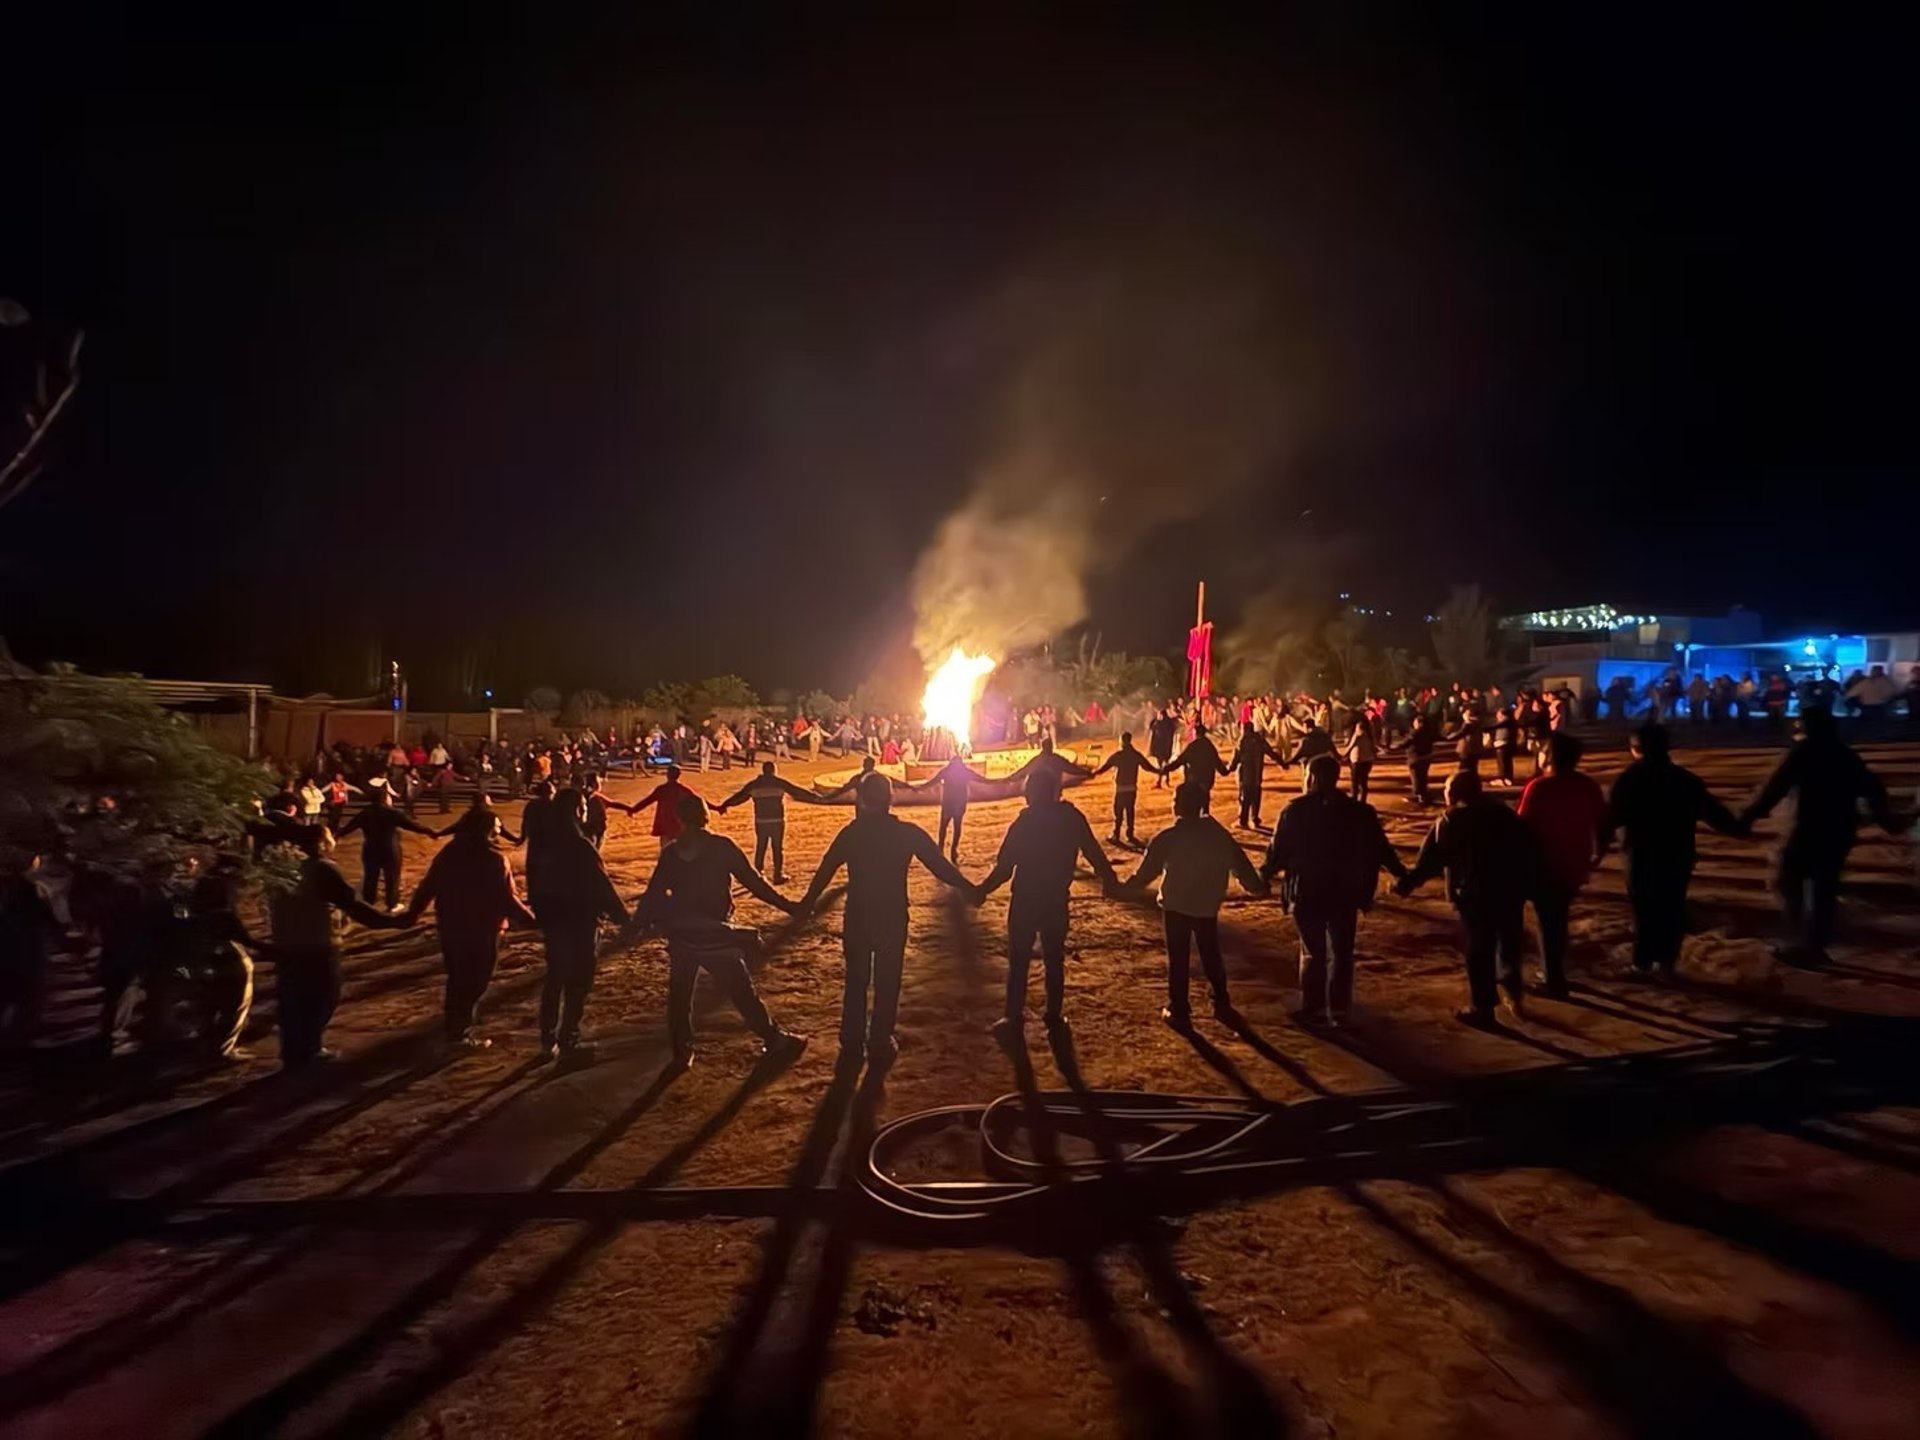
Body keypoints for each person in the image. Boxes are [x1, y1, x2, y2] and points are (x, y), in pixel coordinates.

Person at [795, 771, 973, 1064]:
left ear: (861, 799)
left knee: (856, 979)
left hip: (859, 915)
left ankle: (852, 1039)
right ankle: (880, 1038)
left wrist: (806, 904)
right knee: (888, 980)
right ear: (890, 799)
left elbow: (826, 871)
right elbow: (940, 866)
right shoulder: (906, 833)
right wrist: (971, 889)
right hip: (891, 915)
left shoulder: (851, 834)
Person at [632, 793, 806, 1070]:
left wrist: (635, 925)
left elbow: (653, 895)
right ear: (705, 815)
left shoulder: (672, 854)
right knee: (741, 991)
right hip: (716, 935)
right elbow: (754, 883)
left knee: (680, 995)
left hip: (683, 936)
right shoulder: (721, 847)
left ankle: (681, 1051)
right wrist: (788, 906)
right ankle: (773, 1038)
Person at [1738, 707, 1902, 966]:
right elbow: (1873, 789)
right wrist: (1885, 819)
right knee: (1824, 885)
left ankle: (1803, 939)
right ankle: (1816, 942)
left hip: (1810, 828)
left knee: (1789, 881)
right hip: (1840, 830)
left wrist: (1748, 817)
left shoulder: (1804, 753)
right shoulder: (1846, 755)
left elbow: (1775, 788)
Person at [1263, 754, 1407, 1026]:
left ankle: (1313, 1008)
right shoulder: (1360, 812)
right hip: (1346, 890)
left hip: (1307, 891)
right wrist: (1404, 878)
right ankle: (1339, 1010)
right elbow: (1382, 850)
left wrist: (1262, 878)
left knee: (1312, 952)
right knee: (1342, 951)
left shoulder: (1294, 811)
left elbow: (1277, 854)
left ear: (1312, 777)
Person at [976, 768, 1120, 1037]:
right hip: (1055, 898)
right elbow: (1093, 851)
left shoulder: (1025, 823)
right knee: (1054, 958)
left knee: (1019, 959)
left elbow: (1005, 868)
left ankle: (1013, 1015)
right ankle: (1053, 1014)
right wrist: (1110, 879)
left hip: (1026, 900)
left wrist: (982, 890)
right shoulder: (1071, 818)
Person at [1603, 723, 1745, 977]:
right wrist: (1739, 827)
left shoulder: (1628, 778)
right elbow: (1714, 812)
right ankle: (1667, 962)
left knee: (1645, 909)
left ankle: (1642, 963)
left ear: (1635, 749)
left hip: (1641, 853)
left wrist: (1596, 849)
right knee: (1672, 906)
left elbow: (1610, 817)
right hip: (1677, 853)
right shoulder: (1685, 779)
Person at [1397, 770, 1535, 1029]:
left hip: (1474, 895)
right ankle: (1512, 990)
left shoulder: (1451, 820)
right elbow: (1527, 847)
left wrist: (1407, 883)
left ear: (1457, 793)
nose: (1445, 794)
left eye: (1448, 789)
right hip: (1509, 890)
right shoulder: (1504, 814)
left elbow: (1431, 860)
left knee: (1479, 951)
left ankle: (1483, 1008)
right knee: (1508, 942)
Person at [1123, 782, 1267, 1030]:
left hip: (1176, 906)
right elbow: (1242, 867)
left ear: (1179, 805)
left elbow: (1145, 874)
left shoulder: (1168, 838)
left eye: (1176, 798)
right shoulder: (1219, 836)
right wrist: (1257, 887)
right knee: (1210, 952)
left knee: (1178, 957)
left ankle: (1179, 1007)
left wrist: (1122, 888)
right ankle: (1221, 1000)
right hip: (1205, 905)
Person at [264, 830, 408, 1067]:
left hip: (286, 943)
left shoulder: (283, 870)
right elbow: (351, 904)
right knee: (322, 997)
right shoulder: (322, 869)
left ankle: (293, 1051)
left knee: (292, 997)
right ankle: (310, 1050)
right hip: (316, 942)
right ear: (321, 843)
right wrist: (390, 922)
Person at [403, 806, 540, 1049]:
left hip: (451, 926)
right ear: (488, 830)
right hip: (483, 930)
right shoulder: (494, 859)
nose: (499, 831)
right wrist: (535, 922)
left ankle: (454, 1029)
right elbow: (507, 900)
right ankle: (460, 1033)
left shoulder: (449, 853)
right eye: (497, 827)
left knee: (457, 979)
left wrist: (412, 914)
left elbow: (428, 887)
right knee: (476, 981)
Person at [525, 787, 630, 1063]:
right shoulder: (580, 845)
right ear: (576, 810)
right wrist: (624, 919)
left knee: (555, 979)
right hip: (581, 922)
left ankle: (547, 1040)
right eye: (583, 805)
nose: (586, 809)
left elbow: (533, 884)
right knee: (578, 983)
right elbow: (602, 886)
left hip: (554, 920)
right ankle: (569, 1038)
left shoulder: (544, 843)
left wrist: (541, 914)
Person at [1516, 733, 1609, 998]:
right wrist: (1597, 855)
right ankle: (1554, 973)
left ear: (1547, 756)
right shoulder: (1587, 786)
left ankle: (1552, 979)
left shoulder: (1540, 787)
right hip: (1573, 863)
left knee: (1548, 921)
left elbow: (1521, 825)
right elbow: (1603, 824)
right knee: (1556, 919)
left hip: (1542, 864)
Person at [336, 779, 449, 911]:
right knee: (392, 877)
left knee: (371, 877)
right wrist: (430, 832)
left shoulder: (365, 812)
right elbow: (412, 825)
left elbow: (349, 826)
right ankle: (392, 903)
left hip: (371, 848)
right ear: (385, 798)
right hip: (390, 849)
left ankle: (368, 902)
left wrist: (337, 835)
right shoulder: (392, 813)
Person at [718, 760, 826, 882]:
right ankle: (778, 875)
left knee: (761, 846)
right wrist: (815, 796)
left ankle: (758, 874)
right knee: (777, 848)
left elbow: (739, 797)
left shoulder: (754, 785)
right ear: (774, 771)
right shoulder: (779, 783)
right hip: (777, 820)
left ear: (763, 771)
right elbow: (797, 791)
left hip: (761, 821)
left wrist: (725, 805)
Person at [910, 754, 990, 861]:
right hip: (959, 803)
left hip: (948, 803)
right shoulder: (964, 772)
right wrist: (1001, 781)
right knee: (957, 827)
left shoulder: (946, 771)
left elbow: (932, 782)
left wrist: (918, 788)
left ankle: (940, 849)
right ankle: (953, 851)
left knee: (943, 827)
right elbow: (982, 779)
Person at [1091, 731, 1160, 846]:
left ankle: (1116, 834)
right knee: (1130, 811)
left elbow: (1104, 768)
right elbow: (1148, 767)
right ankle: (1130, 834)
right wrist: (1160, 771)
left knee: (1118, 812)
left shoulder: (1118, 755)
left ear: (1122, 741)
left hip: (1121, 788)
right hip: (1132, 788)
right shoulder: (1136, 755)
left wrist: (1092, 773)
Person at [1223, 719, 1284, 829]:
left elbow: (1235, 760)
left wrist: (1227, 770)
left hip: (1245, 776)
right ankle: (1255, 819)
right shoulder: (1259, 740)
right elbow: (1271, 753)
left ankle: (1243, 821)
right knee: (1256, 796)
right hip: (1257, 775)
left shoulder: (1242, 741)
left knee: (1245, 798)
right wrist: (1282, 763)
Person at [1161, 726, 1231, 815]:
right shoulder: (1209, 746)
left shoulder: (1193, 747)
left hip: (1193, 782)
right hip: (1206, 782)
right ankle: (1205, 824)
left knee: (1194, 807)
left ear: (1196, 733)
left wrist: (1166, 768)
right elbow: (1217, 763)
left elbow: (1180, 761)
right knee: (1205, 808)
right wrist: (1226, 771)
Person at [630, 765, 697, 848]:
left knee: (666, 851)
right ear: (679, 775)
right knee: (681, 850)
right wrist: (715, 808)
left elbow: (647, 801)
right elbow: (699, 801)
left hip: (665, 825)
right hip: (680, 825)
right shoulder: (684, 790)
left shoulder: (662, 789)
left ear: (667, 775)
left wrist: (634, 809)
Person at [1394, 713, 1438, 807]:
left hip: (1415, 758)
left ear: (1419, 722)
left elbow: (1405, 743)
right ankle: (1424, 795)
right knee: (1423, 776)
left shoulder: (1415, 733)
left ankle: (1419, 797)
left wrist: (1392, 748)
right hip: (1426, 757)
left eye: (1415, 721)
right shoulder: (1429, 731)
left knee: (1416, 778)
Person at [1342, 709, 1379, 805]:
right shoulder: (1369, 731)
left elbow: (1350, 747)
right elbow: (1374, 746)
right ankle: (1363, 802)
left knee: (1354, 782)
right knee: (1363, 782)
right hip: (1368, 760)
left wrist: (1341, 756)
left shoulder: (1358, 732)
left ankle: (1354, 801)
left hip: (1357, 760)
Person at [1148, 705, 1179, 788]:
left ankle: (1160, 781)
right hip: (1167, 746)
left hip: (1161, 747)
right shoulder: (1170, 723)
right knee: (1165, 764)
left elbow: (1151, 727)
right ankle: (1165, 780)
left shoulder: (1159, 723)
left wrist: (1155, 718)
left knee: (1161, 764)